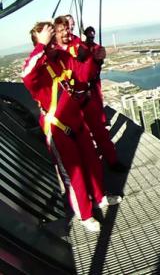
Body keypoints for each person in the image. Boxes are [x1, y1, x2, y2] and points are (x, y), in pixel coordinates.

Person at [22, 22, 122, 232]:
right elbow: (27, 73)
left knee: (92, 162)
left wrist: (95, 60)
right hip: (58, 128)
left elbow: (82, 76)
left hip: (77, 121)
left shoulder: (62, 59)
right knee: (73, 173)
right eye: (48, 41)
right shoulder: (37, 71)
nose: (52, 46)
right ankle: (85, 215)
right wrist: (41, 46)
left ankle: (99, 198)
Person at [55, 17, 128, 172]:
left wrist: (96, 59)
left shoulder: (79, 45)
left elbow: (88, 71)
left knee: (99, 130)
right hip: (69, 101)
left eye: (70, 27)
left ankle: (112, 161)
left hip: (84, 96)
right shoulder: (56, 50)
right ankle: (92, 166)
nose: (69, 30)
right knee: (81, 136)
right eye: (66, 27)